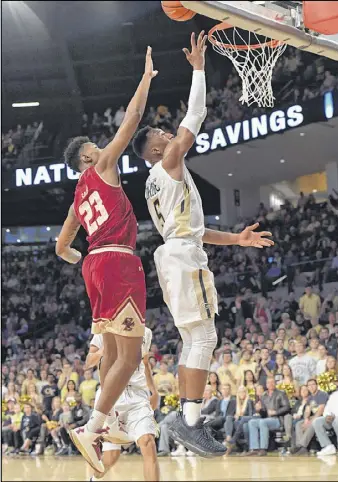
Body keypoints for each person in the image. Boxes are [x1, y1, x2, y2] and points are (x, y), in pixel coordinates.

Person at [133, 31, 273, 458]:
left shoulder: (156, 183)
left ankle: (184, 417)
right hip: (181, 256)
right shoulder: (169, 162)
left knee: (195, 337)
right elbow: (196, 114)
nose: (167, 133)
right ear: (156, 148)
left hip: (174, 253)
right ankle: (188, 420)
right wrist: (197, 69)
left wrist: (237, 239)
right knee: (205, 335)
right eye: (161, 132)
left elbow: (192, 228)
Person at [55, 47, 158, 473]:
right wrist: (147, 78)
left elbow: (62, 246)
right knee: (130, 359)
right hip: (116, 262)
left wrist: (85, 254)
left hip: (94, 266)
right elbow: (131, 121)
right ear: (87, 158)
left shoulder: (77, 196)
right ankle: (93, 426)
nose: (103, 147)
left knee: (115, 356)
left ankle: (108, 420)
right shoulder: (103, 166)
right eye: (95, 147)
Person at [87, 327, 159, 481]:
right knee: (111, 456)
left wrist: (153, 390)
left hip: (138, 395)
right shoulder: (104, 331)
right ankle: (93, 479)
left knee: (148, 442)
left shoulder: (145, 331)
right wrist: (106, 349)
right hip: (111, 396)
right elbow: (89, 361)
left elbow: (145, 363)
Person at [246, 377, 290, 456]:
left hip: (278, 419)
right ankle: (255, 448)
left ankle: (263, 449)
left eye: (272, 382)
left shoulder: (281, 393)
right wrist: (259, 410)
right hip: (267, 419)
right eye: (268, 383)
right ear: (266, 384)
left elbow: (287, 407)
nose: (270, 384)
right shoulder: (264, 395)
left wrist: (275, 412)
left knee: (263, 422)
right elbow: (264, 413)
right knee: (252, 422)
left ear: (275, 383)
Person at [290, 378, 328, 455]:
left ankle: (301, 446)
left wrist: (310, 422)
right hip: (313, 417)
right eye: (309, 385)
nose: (311, 387)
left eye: (313, 385)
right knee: (299, 424)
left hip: (323, 417)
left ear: (317, 385)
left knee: (313, 423)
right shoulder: (310, 398)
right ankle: (301, 448)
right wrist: (306, 419)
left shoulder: (322, 394)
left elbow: (321, 410)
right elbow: (307, 411)